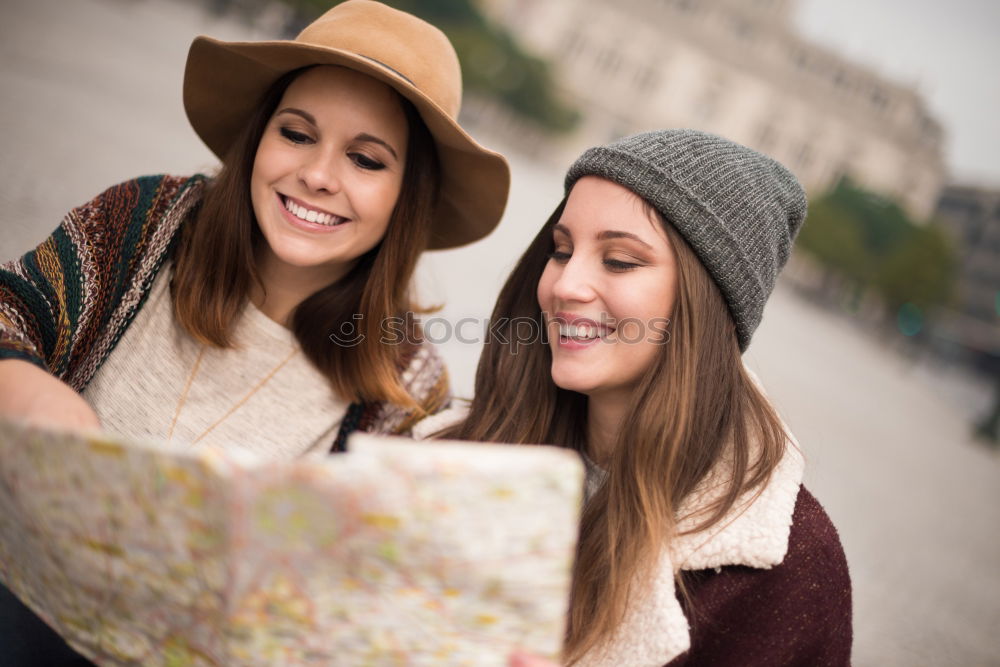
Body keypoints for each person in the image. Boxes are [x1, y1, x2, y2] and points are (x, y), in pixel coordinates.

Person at [0, 1, 508, 663]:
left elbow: (352, 601)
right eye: (297, 134)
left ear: (406, 195)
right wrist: (35, 395)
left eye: (367, 159)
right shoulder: (147, 221)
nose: (319, 176)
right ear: (258, 138)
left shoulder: (407, 384)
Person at [421, 130, 853, 665]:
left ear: (706, 302)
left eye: (620, 260)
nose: (564, 285)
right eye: (561, 250)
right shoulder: (445, 451)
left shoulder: (787, 570)